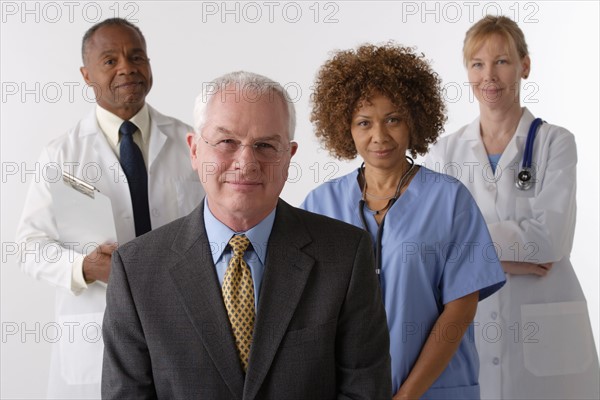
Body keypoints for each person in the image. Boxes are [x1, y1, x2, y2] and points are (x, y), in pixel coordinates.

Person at [101, 71, 392, 399]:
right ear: (195, 151)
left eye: (266, 145)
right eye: (227, 142)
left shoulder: (345, 255)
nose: (246, 161)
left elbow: (365, 391)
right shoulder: (137, 269)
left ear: (289, 157)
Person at [302, 43, 506, 399]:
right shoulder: (320, 204)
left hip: (436, 390)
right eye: (364, 122)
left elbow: (459, 310)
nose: (379, 136)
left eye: (393, 119)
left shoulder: (449, 200)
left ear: (415, 119)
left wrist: (407, 396)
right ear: (345, 128)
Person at [15, 18, 204, 399]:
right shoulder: (61, 155)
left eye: (137, 57)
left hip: (183, 319)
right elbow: (29, 246)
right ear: (86, 75)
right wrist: (84, 267)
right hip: (97, 327)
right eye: (110, 60)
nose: (127, 68)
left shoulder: (191, 144)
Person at [425, 15, 600, 400]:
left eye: (501, 61)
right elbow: (435, 246)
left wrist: (472, 250)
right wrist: (510, 258)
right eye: (477, 64)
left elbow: (550, 240)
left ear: (525, 65)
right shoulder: (446, 152)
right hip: (473, 332)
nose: (489, 75)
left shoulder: (555, 143)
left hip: (548, 341)